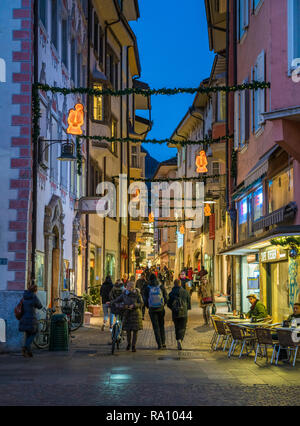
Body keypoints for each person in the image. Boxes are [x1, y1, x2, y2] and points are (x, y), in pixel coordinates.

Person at [109, 281, 143, 352]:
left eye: (127, 286)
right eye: (126, 286)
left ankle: (133, 346)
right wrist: (111, 302)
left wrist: (134, 305)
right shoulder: (124, 293)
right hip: (127, 314)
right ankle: (129, 344)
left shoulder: (137, 294)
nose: (126, 287)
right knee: (128, 331)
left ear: (131, 287)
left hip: (136, 315)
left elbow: (141, 303)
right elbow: (118, 299)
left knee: (135, 331)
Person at [144, 273, 168, 349]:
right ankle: (163, 342)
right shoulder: (161, 286)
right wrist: (163, 304)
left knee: (156, 327)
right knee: (161, 326)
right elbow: (166, 297)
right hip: (160, 308)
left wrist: (148, 306)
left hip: (152, 309)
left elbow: (145, 299)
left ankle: (159, 344)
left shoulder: (148, 287)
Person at [19, 284, 43, 358]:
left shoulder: (24, 296)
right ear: (35, 290)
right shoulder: (33, 296)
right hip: (31, 319)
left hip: (24, 318)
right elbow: (40, 306)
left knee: (28, 335)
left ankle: (28, 352)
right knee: (34, 332)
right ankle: (25, 347)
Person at [167, 279, 191, 350]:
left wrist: (173, 308)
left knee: (177, 327)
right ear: (180, 284)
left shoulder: (171, 293)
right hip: (184, 313)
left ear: (174, 284)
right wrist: (187, 308)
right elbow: (188, 302)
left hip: (175, 313)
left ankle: (178, 339)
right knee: (183, 327)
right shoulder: (185, 292)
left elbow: (168, 304)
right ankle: (180, 339)